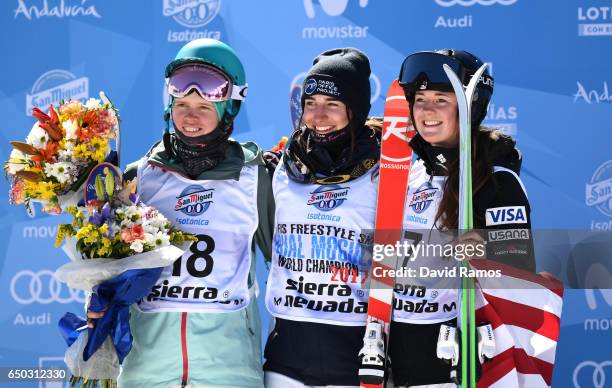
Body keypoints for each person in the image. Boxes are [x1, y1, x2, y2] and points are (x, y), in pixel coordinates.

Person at [89, 38, 274, 387]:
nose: (190, 116)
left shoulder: (255, 176)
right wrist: (99, 299)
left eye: (205, 106)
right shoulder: (137, 177)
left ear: (229, 109)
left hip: (228, 371)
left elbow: (290, 261)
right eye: (182, 103)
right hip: (147, 370)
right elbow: (110, 269)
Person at [388, 49, 535, 387]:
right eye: (420, 98)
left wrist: (486, 251)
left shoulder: (497, 182)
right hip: (401, 365)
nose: (426, 110)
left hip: (461, 366)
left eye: (442, 99)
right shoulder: (411, 176)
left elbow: (517, 280)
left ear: (470, 107)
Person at [263, 47, 382, 387]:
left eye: (332, 105)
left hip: (355, 356)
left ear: (355, 110)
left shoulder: (384, 169)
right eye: (311, 103)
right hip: (287, 354)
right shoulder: (283, 165)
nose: (319, 115)